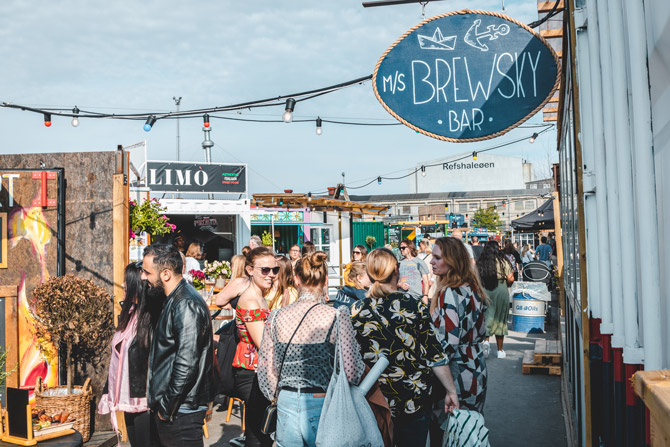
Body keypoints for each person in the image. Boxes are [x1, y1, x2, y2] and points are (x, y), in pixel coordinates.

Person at [351, 248, 459, 447]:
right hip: (414, 398)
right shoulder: (413, 304)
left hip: (375, 400)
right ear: (395, 271)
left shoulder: (358, 309)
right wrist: (451, 390)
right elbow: (433, 353)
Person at [257, 251, 365, 447]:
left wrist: (278, 394)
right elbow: (351, 373)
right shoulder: (336, 316)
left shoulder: (276, 317)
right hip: (322, 402)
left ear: (297, 280)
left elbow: (266, 369)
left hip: (286, 401)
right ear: (325, 280)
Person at [141, 244, 213, 447]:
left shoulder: (185, 303)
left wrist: (166, 407)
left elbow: (187, 363)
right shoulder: (173, 299)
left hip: (180, 411)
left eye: (147, 272)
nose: (143, 277)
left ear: (165, 274)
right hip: (176, 409)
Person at [98, 262, 161, 447]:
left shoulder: (151, 318)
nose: (124, 285)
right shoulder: (130, 314)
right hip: (126, 396)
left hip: (143, 399)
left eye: (127, 282)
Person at [429, 237, 488, 415]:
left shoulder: (449, 292)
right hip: (476, 366)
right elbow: (483, 330)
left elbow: (448, 343)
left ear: (453, 261)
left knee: (449, 431)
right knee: (470, 428)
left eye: (437, 258)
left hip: (456, 373)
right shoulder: (473, 288)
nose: (431, 261)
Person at [232, 247, 277, 447]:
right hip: (251, 372)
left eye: (275, 270)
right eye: (265, 270)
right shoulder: (251, 300)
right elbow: (263, 343)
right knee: (258, 435)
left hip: (256, 370)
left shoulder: (258, 296)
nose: (272, 275)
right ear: (250, 270)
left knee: (259, 432)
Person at [476, 241, 514, 359]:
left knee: (487, 315)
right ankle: (500, 350)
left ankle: (486, 342)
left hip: (485, 289)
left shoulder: (481, 263)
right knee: (500, 318)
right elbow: (510, 278)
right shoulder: (503, 261)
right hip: (501, 289)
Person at [398, 238, 431, 304]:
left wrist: (425, 296)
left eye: (403, 247)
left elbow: (426, 281)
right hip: (402, 298)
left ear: (410, 248)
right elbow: (394, 281)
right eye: (400, 248)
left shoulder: (419, 262)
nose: (401, 249)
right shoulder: (399, 263)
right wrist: (400, 285)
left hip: (417, 297)